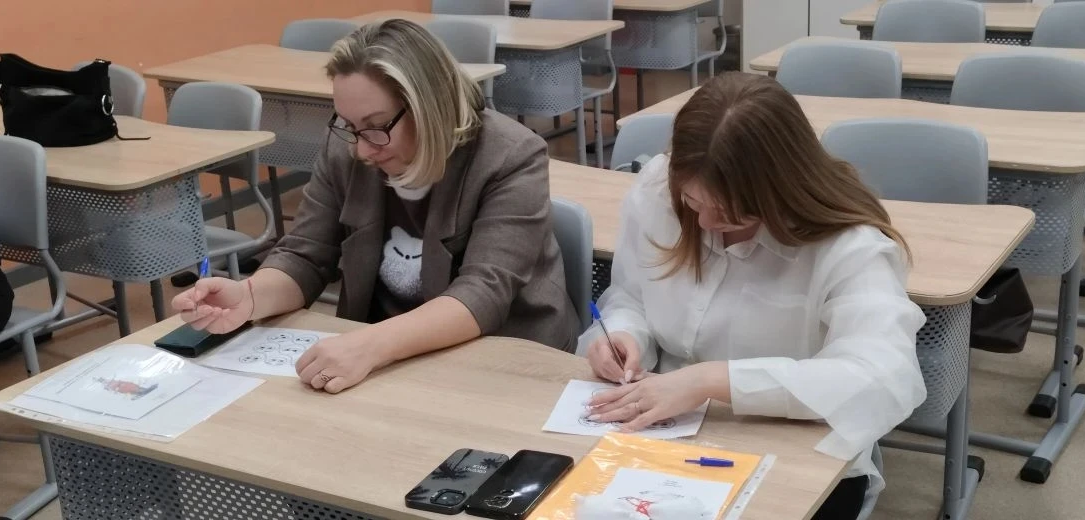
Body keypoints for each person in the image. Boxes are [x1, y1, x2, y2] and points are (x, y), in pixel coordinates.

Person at [579, 72, 926, 520]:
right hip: (665, 437)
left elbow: (882, 378)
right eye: (693, 203)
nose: (705, 224)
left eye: (731, 213)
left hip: (795, 455)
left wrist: (713, 380)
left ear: (780, 191)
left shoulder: (850, 248)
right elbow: (631, 295)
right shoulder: (657, 189)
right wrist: (622, 335)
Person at [171, 19, 578, 394]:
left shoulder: (510, 156)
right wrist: (250, 297)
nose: (362, 149)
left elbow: (483, 294)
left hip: (504, 359)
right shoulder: (348, 146)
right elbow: (305, 255)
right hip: (388, 354)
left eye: (377, 127)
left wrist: (370, 345)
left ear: (430, 108)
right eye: (349, 126)